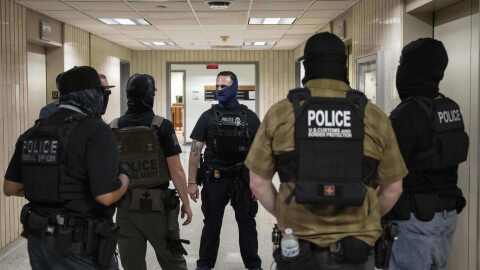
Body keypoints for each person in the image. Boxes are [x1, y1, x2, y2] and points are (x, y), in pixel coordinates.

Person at [247, 32, 407, 270]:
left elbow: (258, 183)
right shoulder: (374, 116)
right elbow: (393, 188)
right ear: (344, 65)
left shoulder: (281, 113)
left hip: (297, 249)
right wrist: (367, 216)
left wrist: (284, 214)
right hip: (356, 250)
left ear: (307, 67)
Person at [3, 66, 129, 270]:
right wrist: (125, 180)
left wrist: (49, 190)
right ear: (90, 95)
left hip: (39, 240)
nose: (103, 98)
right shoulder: (96, 131)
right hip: (78, 244)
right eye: (101, 93)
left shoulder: (33, 132)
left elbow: (10, 187)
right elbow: (105, 196)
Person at [387, 38, 469, 270]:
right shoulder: (450, 108)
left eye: (402, 64)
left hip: (415, 221)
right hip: (446, 217)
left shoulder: (406, 114)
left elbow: (386, 171)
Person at [110, 74, 192, 270]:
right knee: (173, 263)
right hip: (158, 207)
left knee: (132, 264)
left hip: (125, 207)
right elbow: (176, 171)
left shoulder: (113, 127)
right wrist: (186, 203)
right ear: (150, 96)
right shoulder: (161, 126)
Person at [188, 71, 262, 270]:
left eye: (224, 86)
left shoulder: (250, 118)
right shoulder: (207, 117)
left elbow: (260, 154)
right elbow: (195, 151)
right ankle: (204, 266)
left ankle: (254, 266)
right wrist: (192, 182)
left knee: (247, 225)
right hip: (215, 179)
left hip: (242, 180)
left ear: (234, 88)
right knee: (211, 226)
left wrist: (258, 183)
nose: (219, 90)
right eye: (217, 86)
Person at [40, 73, 114, 119]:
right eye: (99, 90)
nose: (103, 95)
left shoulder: (91, 111)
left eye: (106, 90)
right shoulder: (49, 110)